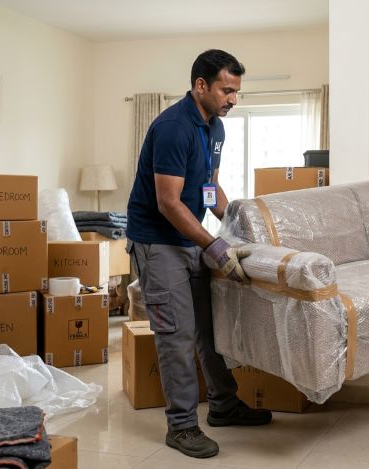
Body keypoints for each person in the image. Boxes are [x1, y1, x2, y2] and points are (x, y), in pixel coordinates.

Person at [126, 49, 272, 459]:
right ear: (201, 85)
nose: (233, 99)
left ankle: (223, 405)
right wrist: (213, 243)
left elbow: (209, 186)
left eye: (236, 92)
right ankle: (182, 426)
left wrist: (238, 226)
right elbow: (168, 202)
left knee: (211, 329)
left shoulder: (215, 128)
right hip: (158, 243)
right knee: (177, 335)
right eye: (226, 90)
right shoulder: (173, 128)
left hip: (191, 239)